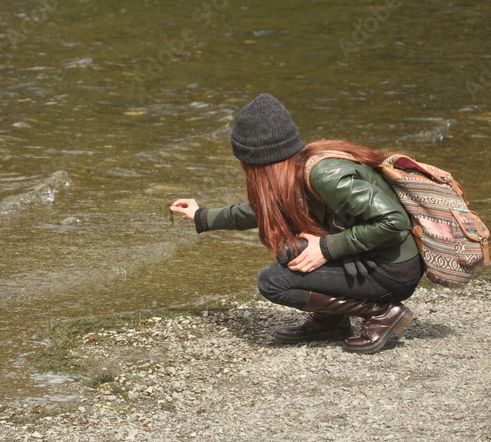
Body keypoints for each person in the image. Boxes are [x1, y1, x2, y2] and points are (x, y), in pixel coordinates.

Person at [169, 93, 423, 354]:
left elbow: (394, 221)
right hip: (366, 259)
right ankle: (331, 320)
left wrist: (326, 247)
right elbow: (260, 211)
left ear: (256, 160)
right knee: (291, 252)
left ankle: (382, 311)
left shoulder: (326, 174)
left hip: (391, 272)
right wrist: (202, 216)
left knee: (273, 282)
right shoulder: (294, 168)